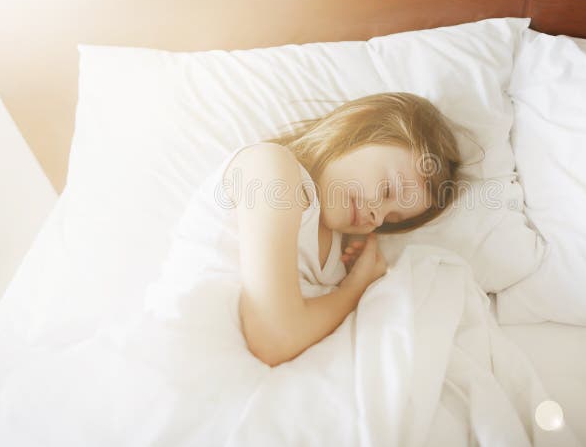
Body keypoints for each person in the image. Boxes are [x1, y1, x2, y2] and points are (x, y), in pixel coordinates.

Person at [148, 92, 470, 367]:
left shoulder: (338, 253)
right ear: (356, 132)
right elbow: (274, 339)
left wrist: (348, 275)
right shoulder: (272, 168)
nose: (377, 214)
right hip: (191, 350)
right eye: (387, 190)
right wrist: (354, 290)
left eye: (392, 218)